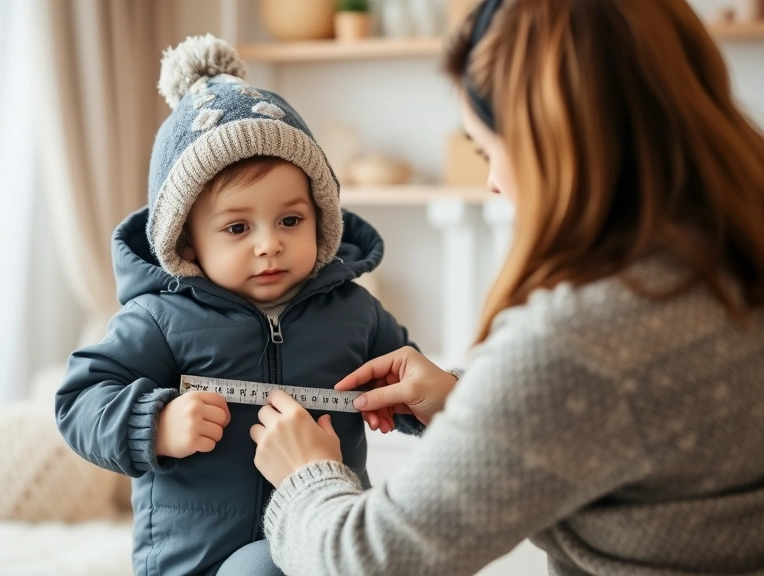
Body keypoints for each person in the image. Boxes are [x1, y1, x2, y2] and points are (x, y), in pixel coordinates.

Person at [249, 0, 764, 574]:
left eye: (489, 150)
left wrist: (305, 476)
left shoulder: (583, 339)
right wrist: (474, 398)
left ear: (556, 140)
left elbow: (368, 560)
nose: (493, 183)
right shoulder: (730, 256)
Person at [54, 35, 419, 576]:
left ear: (321, 218)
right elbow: (79, 400)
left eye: (290, 220)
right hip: (194, 562)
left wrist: (435, 402)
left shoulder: (357, 312)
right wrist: (153, 424)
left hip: (321, 546)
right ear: (186, 242)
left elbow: (408, 387)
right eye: (237, 227)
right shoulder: (159, 318)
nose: (268, 243)